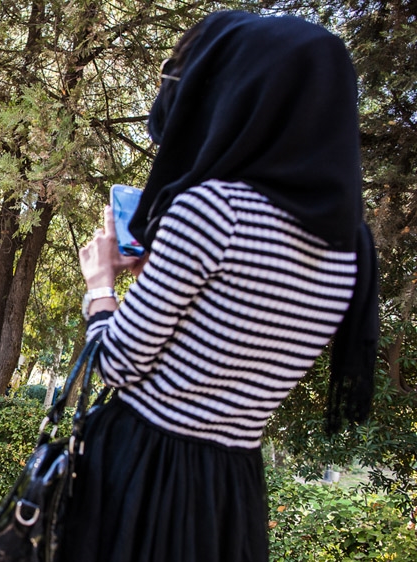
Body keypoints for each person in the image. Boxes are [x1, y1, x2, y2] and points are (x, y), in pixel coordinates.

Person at [62, 11, 378, 562]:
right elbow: (234, 338)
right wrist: (167, 274)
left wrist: (100, 285)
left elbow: (117, 362)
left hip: (145, 469)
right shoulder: (351, 245)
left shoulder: (213, 209)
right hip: (231, 489)